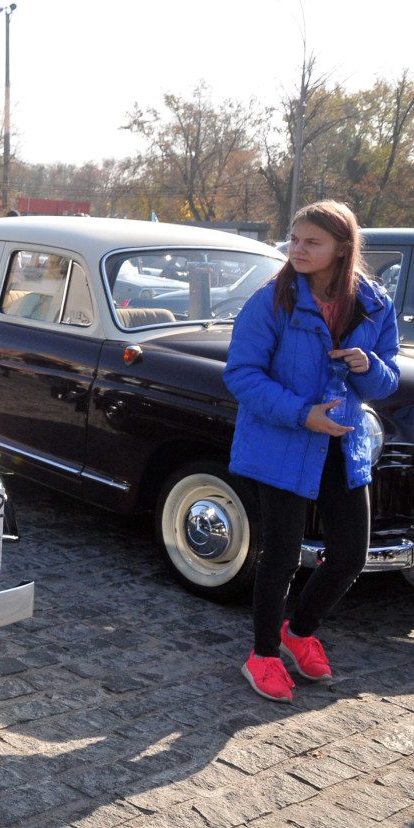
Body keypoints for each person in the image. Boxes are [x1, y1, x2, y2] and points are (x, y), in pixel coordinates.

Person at [224, 200, 399, 703]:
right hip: (281, 442)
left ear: (342, 249)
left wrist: (368, 366)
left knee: (350, 553)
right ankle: (261, 656)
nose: (297, 249)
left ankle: (298, 631)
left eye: (311, 242)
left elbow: (385, 378)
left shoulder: (373, 302)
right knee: (279, 554)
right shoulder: (271, 300)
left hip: (344, 446)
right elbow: (242, 376)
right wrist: (304, 414)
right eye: (294, 239)